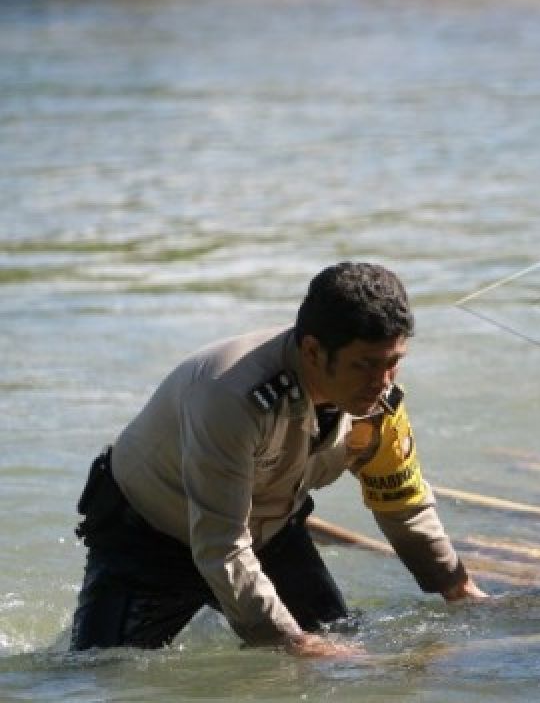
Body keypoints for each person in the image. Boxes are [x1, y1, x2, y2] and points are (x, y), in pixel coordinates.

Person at [70, 262, 485, 657]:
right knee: (99, 676)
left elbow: (402, 503)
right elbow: (221, 548)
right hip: (149, 540)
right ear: (313, 351)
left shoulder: (380, 403)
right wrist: (295, 644)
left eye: (393, 363)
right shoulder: (232, 397)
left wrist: (457, 588)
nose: (381, 383)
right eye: (365, 365)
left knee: (346, 653)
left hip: (268, 532)